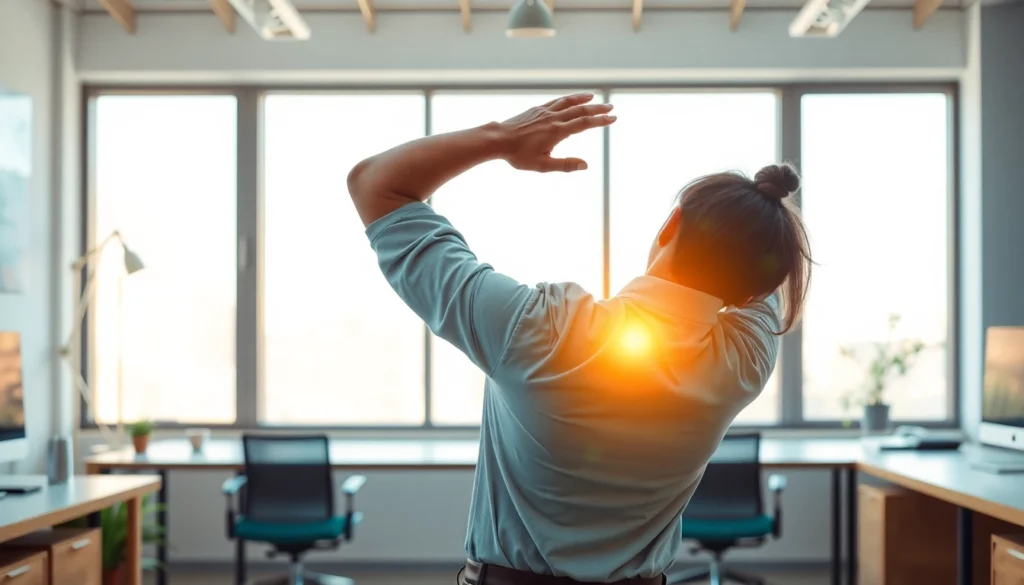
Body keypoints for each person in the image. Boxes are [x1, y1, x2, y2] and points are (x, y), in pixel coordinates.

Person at [347, 93, 812, 585]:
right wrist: (764, 227)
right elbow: (762, 277)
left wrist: (502, 139)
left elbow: (376, 184)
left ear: (671, 225)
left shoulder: (536, 328)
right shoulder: (745, 361)